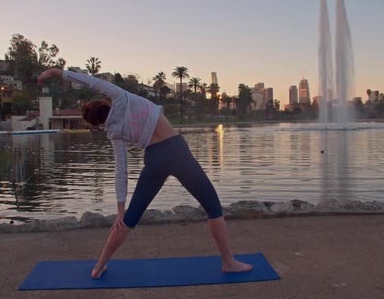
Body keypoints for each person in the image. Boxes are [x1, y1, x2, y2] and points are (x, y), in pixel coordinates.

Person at [38, 68, 253, 279]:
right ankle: (228, 262)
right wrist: (57, 72)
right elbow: (90, 81)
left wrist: (120, 210)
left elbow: (121, 172)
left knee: (129, 218)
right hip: (177, 152)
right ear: (105, 103)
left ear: (99, 123)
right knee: (213, 207)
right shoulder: (121, 97)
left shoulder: (114, 133)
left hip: (154, 160)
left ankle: (99, 265)